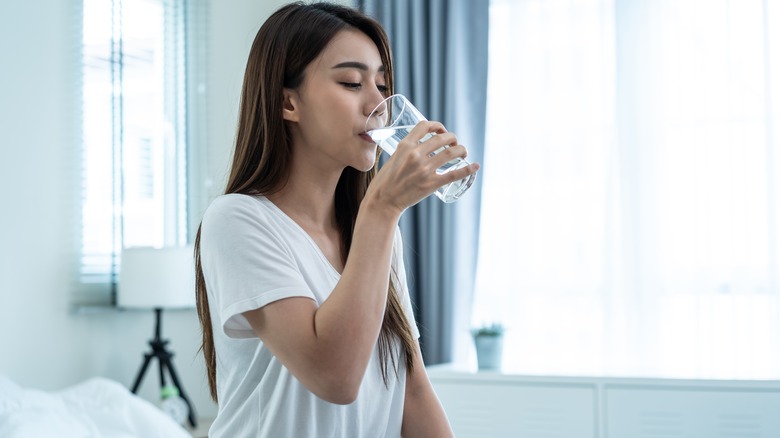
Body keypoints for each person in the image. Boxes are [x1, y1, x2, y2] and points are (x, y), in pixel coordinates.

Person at [194, 2, 479, 437]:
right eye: (351, 82)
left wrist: (380, 219)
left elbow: (412, 390)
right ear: (288, 102)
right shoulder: (236, 221)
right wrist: (382, 210)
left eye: (382, 84)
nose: (377, 103)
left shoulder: (372, 233)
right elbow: (335, 378)